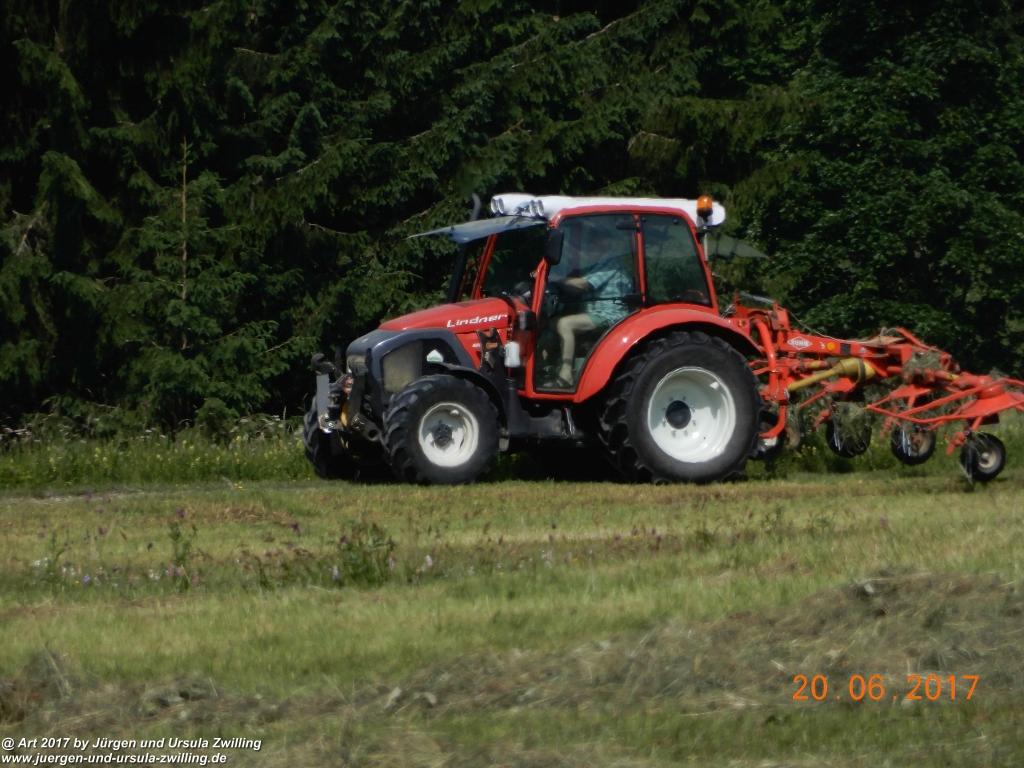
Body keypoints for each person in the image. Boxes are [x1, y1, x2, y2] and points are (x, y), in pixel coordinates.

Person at [549, 227, 634, 386]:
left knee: (565, 324)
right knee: (552, 323)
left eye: (593, 243)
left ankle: (566, 373)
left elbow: (584, 284)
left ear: (603, 244)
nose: (590, 247)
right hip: (597, 312)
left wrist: (555, 280)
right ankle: (550, 371)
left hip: (610, 315)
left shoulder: (610, 263)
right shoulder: (596, 264)